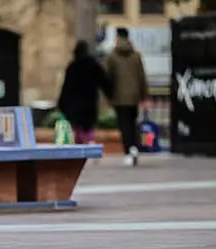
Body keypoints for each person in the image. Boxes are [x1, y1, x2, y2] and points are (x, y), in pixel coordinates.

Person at [104, 27, 149, 167]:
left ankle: (129, 150)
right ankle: (134, 147)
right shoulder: (136, 56)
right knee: (133, 123)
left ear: (117, 37)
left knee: (124, 125)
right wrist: (144, 96)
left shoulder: (111, 56)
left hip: (119, 97)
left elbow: (107, 78)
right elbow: (142, 77)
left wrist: (109, 96)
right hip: (134, 97)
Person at [57, 40, 111, 145]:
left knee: (78, 127)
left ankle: (80, 146)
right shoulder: (93, 65)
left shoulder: (72, 67)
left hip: (75, 103)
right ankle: (91, 144)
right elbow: (103, 81)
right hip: (89, 101)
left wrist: (62, 103)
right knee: (89, 126)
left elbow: (66, 87)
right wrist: (110, 94)